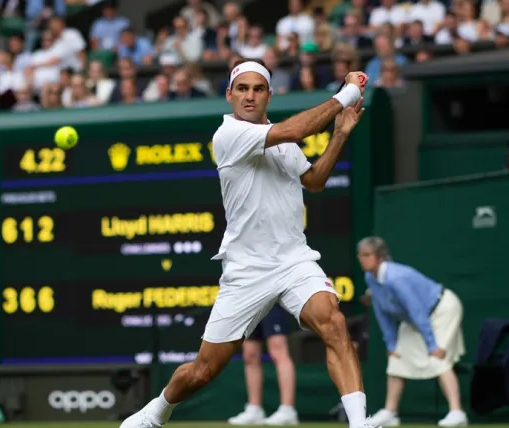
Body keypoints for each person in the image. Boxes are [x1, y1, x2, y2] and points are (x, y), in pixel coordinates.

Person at [120, 59, 374, 428]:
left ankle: (359, 424)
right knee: (204, 371)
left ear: (269, 95)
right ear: (229, 95)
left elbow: (315, 181)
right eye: (242, 89)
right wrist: (347, 93)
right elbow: (294, 130)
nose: (250, 96)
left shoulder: (283, 139)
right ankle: (155, 412)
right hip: (246, 269)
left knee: (334, 323)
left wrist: (340, 134)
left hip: (293, 260)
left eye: (258, 89)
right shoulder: (229, 135)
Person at [358, 237, 468, 428]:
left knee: (438, 358)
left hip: (442, 310)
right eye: (360, 255)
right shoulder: (370, 278)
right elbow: (382, 313)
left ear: (380, 258)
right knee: (397, 358)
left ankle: (457, 412)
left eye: (367, 255)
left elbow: (417, 310)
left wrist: (431, 344)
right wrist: (391, 344)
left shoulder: (396, 278)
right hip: (417, 318)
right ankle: (390, 413)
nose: (362, 259)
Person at [228, 307, 298, 425]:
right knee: (250, 354)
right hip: (250, 303)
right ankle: (254, 409)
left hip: (272, 300)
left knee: (278, 351)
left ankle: (288, 409)